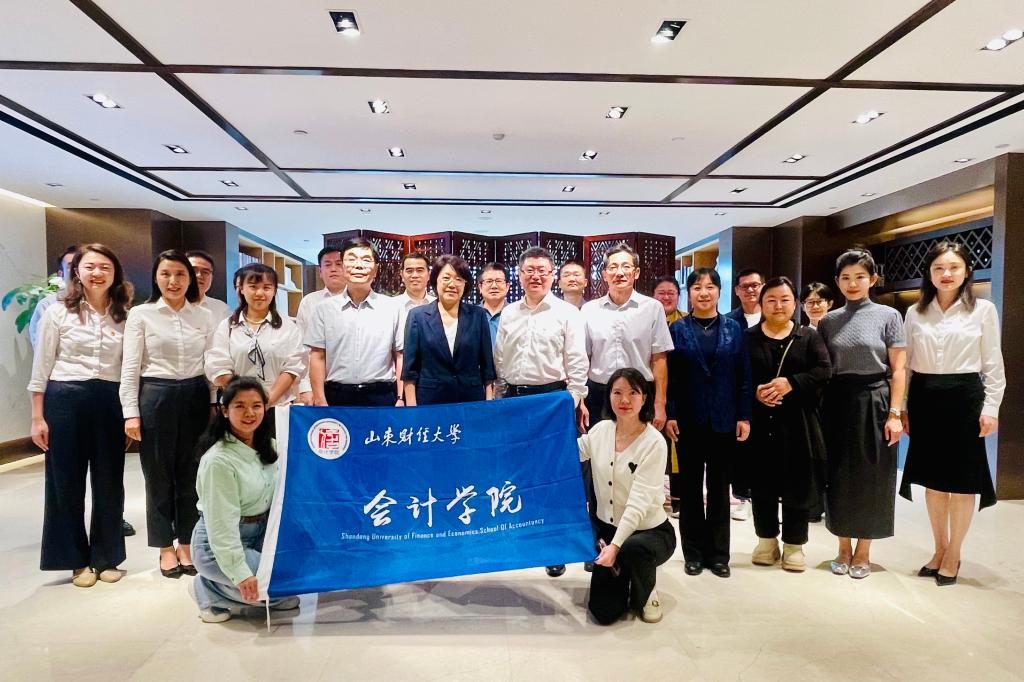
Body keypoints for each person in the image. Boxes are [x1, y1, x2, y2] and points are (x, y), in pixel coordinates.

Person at [900, 241, 1005, 586]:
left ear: (966, 272)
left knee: (962, 483)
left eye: (953, 267)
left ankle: (954, 553)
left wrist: (991, 408)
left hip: (965, 399)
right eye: (938, 268)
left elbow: (993, 364)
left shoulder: (983, 310)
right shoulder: (915, 312)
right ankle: (939, 548)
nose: (946, 274)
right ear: (929, 274)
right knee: (933, 482)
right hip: (925, 399)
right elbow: (906, 365)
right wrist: (902, 407)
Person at [28, 244, 132, 587]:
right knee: (65, 482)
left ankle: (107, 557)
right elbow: (41, 367)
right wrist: (38, 417)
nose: (97, 273)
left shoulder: (125, 314)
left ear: (115, 273)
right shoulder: (57, 312)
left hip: (110, 400)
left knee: (110, 481)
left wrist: (129, 413)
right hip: (65, 398)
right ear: (77, 272)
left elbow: (130, 368)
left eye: (105, 267)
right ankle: (74, 560)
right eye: (90, 267)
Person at [493, 246, 590, 578]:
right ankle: (523, 538)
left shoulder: (567, 313)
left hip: (552, 401)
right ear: (520, 275)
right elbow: (500, 360)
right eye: (529, 270)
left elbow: (576, 362)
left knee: (553, 476)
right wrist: (500, 399)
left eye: (542, 271)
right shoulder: (509, 313)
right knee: (519, 473)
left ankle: (555, 547)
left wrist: (573, 401)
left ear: (552, 275)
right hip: (514, 400)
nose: (535, 276)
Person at [120, 250, 216, 578]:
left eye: (180, 274)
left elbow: (211, 363)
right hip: (155, 396)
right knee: (158, 475)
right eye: (166, 274)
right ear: (156, 278)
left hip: (195, 396)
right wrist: (130, 413)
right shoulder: (141, 315)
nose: (173, 281)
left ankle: (186, 543)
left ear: (190, 279)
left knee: (192, 473)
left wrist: (214, 403)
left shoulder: (204, 316)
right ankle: (164, 546)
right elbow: (130, 367)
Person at [817, 248, 906, 579]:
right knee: (838, 474)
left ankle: (864, 550)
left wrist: (895, 413)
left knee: (873, 474)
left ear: (873, 279)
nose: (852, 283)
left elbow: (899, 369)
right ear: (837, 281)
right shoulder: (828, 321)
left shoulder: (889, 315)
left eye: (860, 277)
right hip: (837, 401)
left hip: (875, 399)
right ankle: (843, 547)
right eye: (845, 277)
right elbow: (822, 368)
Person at [189, 376, 300, 622]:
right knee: (277, 586)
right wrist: (240, 573)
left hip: (260, 534)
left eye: (256, 405)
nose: (249, 413)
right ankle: (207, 589)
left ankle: (237, 586)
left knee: (294, 581)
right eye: (240, 406)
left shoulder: (271, 446)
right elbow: (222, 526)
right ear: (224, 411)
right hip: (217, 545)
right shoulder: (218, 461)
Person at [665, 268, 752, 578]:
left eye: (710, 287)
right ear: (689, 293)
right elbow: (670, 377)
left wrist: (744, 415)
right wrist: (670, 413)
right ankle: (693, 553)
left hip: (724, 419)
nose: (704, 292)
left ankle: (718, 555)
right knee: (689, 489)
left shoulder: (734, 328)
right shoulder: (677, 329)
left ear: (719, 291)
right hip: (688, 420)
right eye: (697, 287)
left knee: (719, 489)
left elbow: (744, 375)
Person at [746, 277, 830, 572]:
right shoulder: (748, 337)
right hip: (760, 422)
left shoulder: (807, 336)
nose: (778, 305)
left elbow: (824, 371)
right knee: (762, 484)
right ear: (761, 304)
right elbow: (737, 375)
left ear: (795, 303)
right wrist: (756, 392)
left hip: (798, 423)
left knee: (798, 482)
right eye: (771, 300)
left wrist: (791, 383)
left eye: (784, 299)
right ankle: (766, 541)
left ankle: (794, 545)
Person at [579, 368, 676, 624]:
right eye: (617, 392)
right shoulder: (600, 431)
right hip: (608, 529)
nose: (624, 400)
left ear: (644, 398)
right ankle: (624, 575)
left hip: (648, 532)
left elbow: (638, 504)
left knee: (634, 550)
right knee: (603, 612)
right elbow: (570, 454)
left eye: (633, 393)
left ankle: (647, 589)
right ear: (608, 396)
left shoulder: (654, 443)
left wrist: (615, 546)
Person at [581, 244, 673, 431]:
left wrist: (660, 403)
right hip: (599, 394)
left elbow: (659, 359)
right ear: (604, 274)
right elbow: (584, 359)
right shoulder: (589, 310)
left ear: (636, 272)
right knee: (600, 447)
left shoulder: (652, 308)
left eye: (626, 266)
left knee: (640, 448)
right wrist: (581, 400)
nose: (619, 273)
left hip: (639, 392)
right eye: (613, 267)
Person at [205, 263, 307, 431]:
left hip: (277, 409)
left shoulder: (288, 327)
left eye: (267, 287)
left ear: (274, 290)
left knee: (275, 447)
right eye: (253, 287)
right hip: (237, 408)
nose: (260, 293)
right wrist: (247, 401)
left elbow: (292, 368)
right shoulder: (227, 326)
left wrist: (265, 403)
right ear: (241, 289)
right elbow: (218, 366)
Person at [305, 237, 404, 407]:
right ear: (343, 266)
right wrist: (320, 399)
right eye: (351, 259)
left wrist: (401, 398)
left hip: (382, 396)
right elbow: (317, 356)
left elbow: (400, 356)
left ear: (375, 269)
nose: (359, 265)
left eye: (366, 260)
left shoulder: (393, 308)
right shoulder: (324, 309)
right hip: (336, 396)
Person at [402, 255, 495, 405]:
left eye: (459, 279)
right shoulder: (417, 316)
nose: (452, 284)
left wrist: (488, 402)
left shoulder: (478, 315)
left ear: (465, 284)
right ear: (436, 280)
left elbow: (487, 367)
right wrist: (412, 409)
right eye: (446, 278)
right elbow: (409, 370)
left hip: (471, 401)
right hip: (431, 401)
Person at [725, 268, 764, 521]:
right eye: (745, 286)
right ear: (736, 290)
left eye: (755, 285)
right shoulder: (729, 322)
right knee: (741, 447)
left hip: (771, 390)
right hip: (739, 392)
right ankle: (742, 497)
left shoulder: (774, 316)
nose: (750, 290)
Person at [294, 246, 348, 404]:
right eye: (328, 264)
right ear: (320, 271)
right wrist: (305, 387)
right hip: (318, 385)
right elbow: (302, 348)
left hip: (352, 385)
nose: (334, 269)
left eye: (339, 264)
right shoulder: (309, 302)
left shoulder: (360, 300)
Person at [652, 275, 686, 517]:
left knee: (677, 446)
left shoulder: (685, 323)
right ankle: (652, 498)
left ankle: (678, 498)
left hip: (678, 392)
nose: (666, 297)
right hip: (650, 390)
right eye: (661, 293)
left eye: (671, 293)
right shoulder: (648, 319)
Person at [28, 246, 76, 350]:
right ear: (61, 274)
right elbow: (41, 349)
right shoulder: (47, 305)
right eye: (71, 266)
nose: (77, 270)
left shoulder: (104, 304)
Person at [187, 250, 232, 323]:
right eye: (193, 270)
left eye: (205, 272)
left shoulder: (222, 309)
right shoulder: (169, 306)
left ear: (212, 278)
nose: (199, 275)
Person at [478, 263, 510, 346]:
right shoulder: (470, 316)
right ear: (480, 287)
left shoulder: (517, 315)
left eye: (499, 281)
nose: (494, 286)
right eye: (489, 281)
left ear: (507, 287)